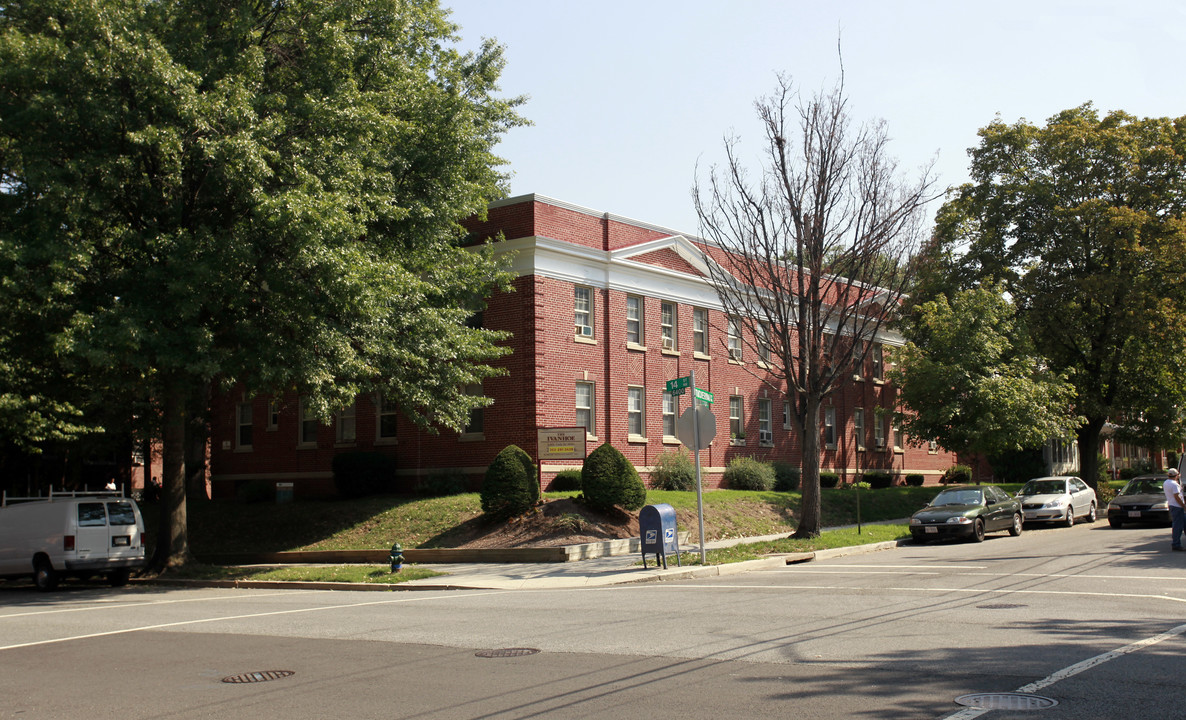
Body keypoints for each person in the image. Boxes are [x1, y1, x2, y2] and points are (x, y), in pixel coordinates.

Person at [1164, 468, 1186, 551]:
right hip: (1177, 507)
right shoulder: (1174, 484)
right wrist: (1183, 505)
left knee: (1184, 523)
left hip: (1172, 505)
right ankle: (1176, 544)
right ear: (1176, 475)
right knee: (1178, 526)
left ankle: (1176, 543)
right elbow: (1177, 496)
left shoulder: (1166, 482)